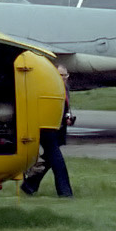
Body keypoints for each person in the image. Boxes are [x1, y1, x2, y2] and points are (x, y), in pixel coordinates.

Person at [22, 67, 74, 197]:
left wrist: (68, 117)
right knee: (57, 159)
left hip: (59, 127)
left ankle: (30, 185)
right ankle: (65, 192)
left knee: (50, 159)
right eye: (59, 75)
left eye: (64, 75)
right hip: (47, 127)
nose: (62, 77)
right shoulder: (48, 87)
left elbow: (65, 106)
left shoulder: (65, 88)